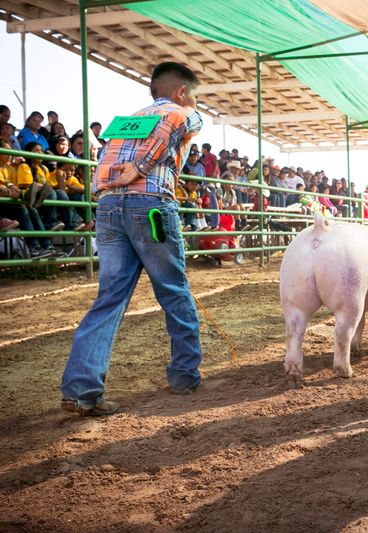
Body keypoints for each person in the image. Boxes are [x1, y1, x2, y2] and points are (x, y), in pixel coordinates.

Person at [60, 61, 205, 417]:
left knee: (109, 299)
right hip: (151, 205)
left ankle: (81, 390)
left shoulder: (124, 122)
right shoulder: (181, 111)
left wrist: (110, 186)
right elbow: (179, 123)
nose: (195, 107)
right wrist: (140, 169)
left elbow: (103, 165)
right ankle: (184, 375)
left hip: (109, 207)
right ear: (182, 91)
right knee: (173, 290)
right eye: (194, 98)